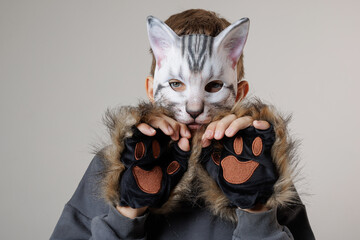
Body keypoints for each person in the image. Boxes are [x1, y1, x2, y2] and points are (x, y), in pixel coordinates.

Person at [50, 9, 315, 240]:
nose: (194, 106)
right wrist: (128, 210)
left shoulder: (264, 165)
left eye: (213, 86)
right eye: (176, 84)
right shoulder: (112, 165)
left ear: (240, 93)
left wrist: (256, 208)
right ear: (151, 90)